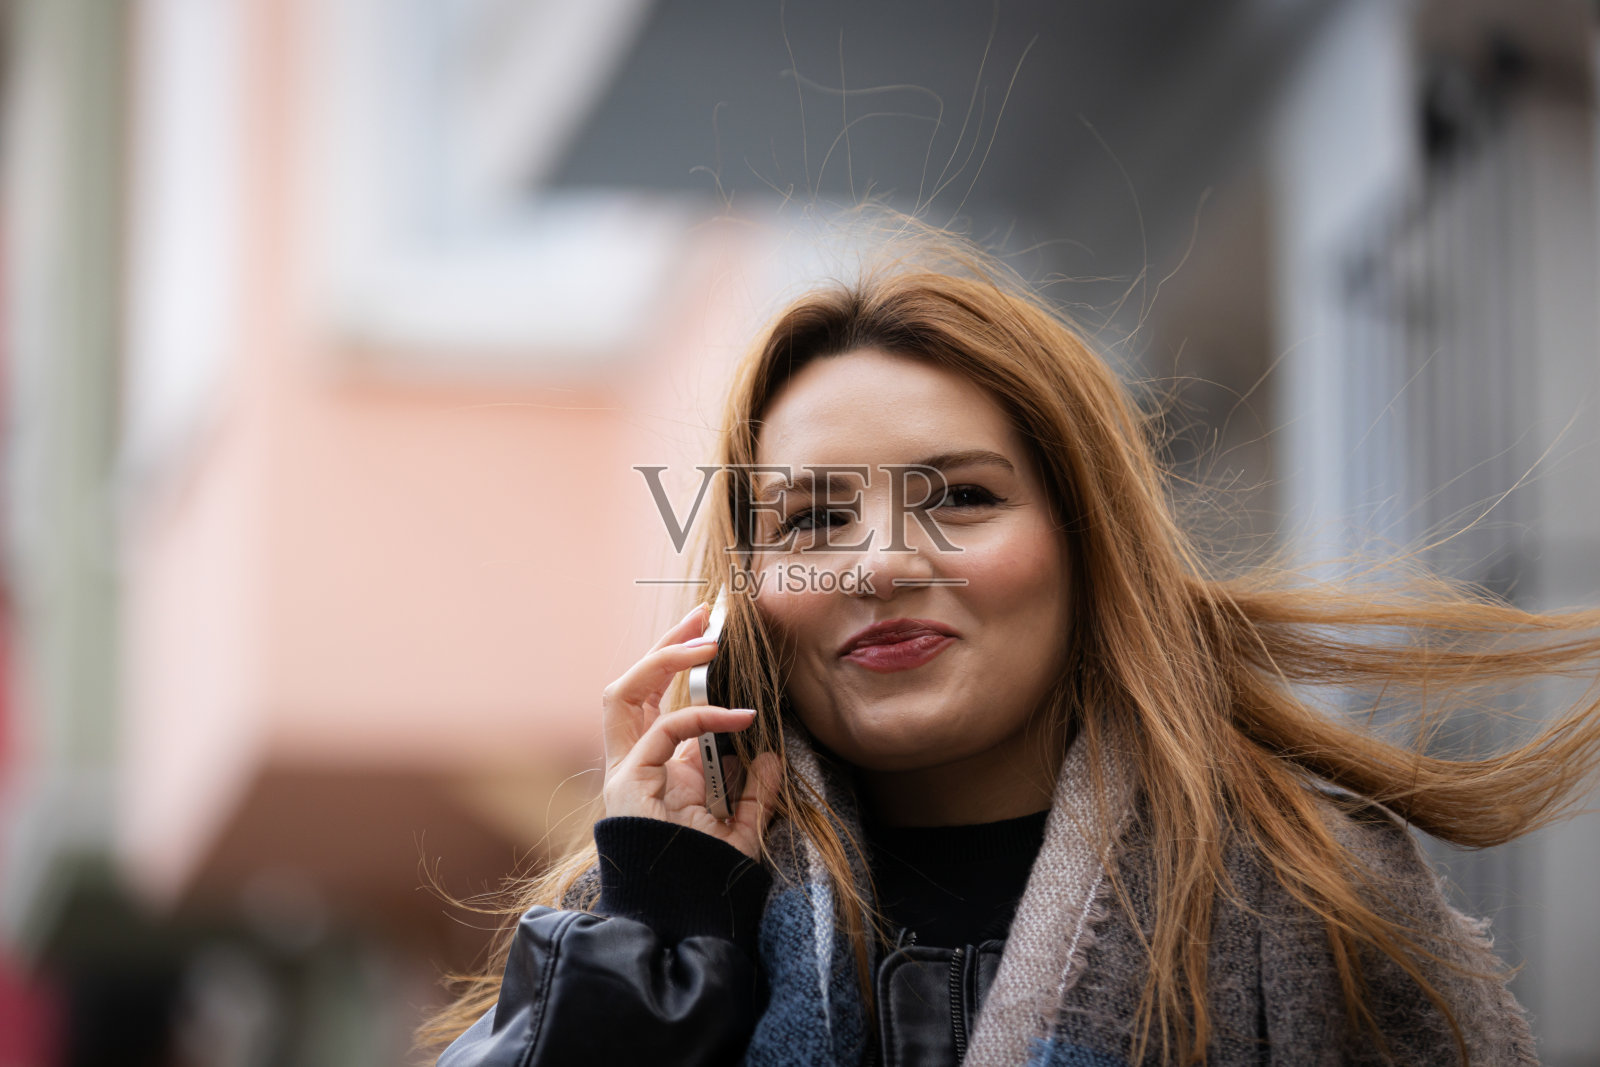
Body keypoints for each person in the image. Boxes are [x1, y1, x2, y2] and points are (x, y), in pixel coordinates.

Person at [418, 232, 1600, 1066]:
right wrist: (655, 934)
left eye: (960, 497)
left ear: (1086, 543)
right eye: (813, 518)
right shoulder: (643, 911)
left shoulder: (1325, 892)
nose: (877, 563)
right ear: (746, 592)